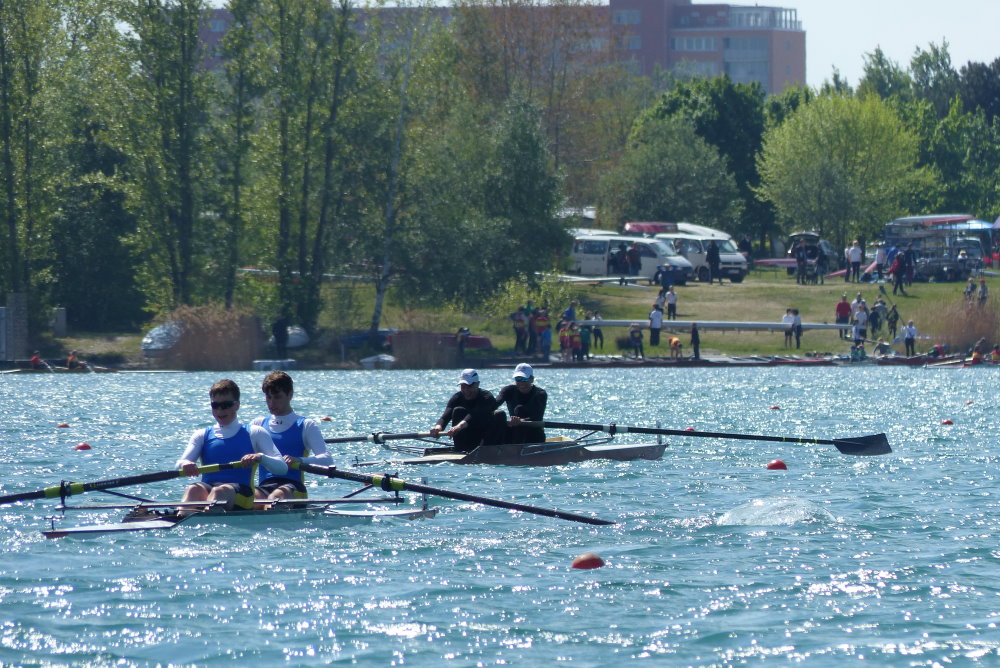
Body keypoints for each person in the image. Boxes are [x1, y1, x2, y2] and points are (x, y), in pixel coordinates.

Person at [176, 379, 287, 512]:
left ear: (237, 405)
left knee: (219, 491)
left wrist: (260, 457)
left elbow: (282, 468)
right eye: (215, 405)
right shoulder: (201, 435)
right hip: (210, 488)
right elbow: (179, 464)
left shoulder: (255, 432)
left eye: (226, 405)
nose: (220, 410)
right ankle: (180, 517)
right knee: (193, 489)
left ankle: (205, 518)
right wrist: (185, 464)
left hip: (243, 494)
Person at [251, 371, 331, 503]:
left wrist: (299, 460)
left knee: (275, 498)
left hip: (294, 487)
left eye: (277, 397)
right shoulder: (258, 424)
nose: (271, 403)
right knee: (251, 498)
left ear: (290, 394)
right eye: (268, 397)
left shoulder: (306, 425)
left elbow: (327, 460)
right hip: (265, 486)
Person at [429, 369, 497, 452]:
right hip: (467, 435)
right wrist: (438, 428)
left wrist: (459, 426)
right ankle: (460, 449)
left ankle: (488, 450)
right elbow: (445, 417)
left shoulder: (487, 397)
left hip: (484, 435)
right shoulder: (457, 397)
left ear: (477, 384)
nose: (466, 390)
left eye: (469, 386)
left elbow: (474, 414)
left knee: (499, 414)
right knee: (458, 410)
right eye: (463, 386)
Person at [490, 363, 547, 445]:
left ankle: (516, 449)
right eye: (518, 379)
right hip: (515, 432)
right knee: (499, 414)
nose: (521, 383)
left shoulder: (540, 394)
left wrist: (521, 421)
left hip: (534, 434)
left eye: (524, 379)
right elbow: (493, 405)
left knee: (520, 409)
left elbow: (537, 416)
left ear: (532, 379)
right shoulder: (508, 390)